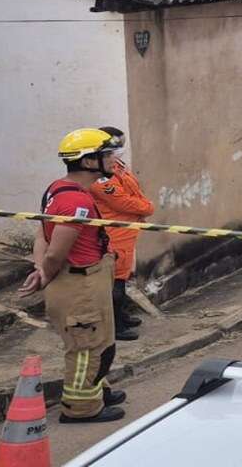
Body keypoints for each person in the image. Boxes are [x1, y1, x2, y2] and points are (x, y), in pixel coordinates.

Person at [18, 128, 125, 424]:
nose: (114, 160)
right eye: (107, 155)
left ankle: (96, 390)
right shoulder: (75, 204)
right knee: (85, 347)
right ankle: (80, 408)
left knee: (102, 340)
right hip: (79, 282)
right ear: (90, 163)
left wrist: (40, 269)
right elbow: (56, 251)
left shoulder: (57, 189)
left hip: (88, 277)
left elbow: (41, 234)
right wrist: (45, 271)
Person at [89, 126, 154, 342]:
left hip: (127, 230)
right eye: (111, 151)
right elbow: (120, 200)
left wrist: (142, 204)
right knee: (114, 281)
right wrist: (146, 207)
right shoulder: (100, 178)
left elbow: (132, 189)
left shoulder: (117, 166)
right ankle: (114, 325)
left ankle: (122, 316)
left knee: (123, 278)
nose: (116, 155)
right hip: (114, 233)